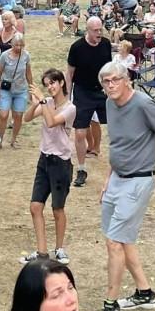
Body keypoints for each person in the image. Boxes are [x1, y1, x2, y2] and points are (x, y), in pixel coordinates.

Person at [96, 61, 155, 311]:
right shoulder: (110, 104)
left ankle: (110, 304)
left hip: (139, 180)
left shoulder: (143, 104)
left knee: (114, 243)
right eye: (106, 82)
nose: (110, 86)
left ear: (127, 79)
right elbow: (117, 144)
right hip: (117, 179)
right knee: (122, 239)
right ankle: (145, 293)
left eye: (115, 80)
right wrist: (108, 178)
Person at [20, 70, 77, 264]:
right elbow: (26, 118)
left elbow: (52, 122)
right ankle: (41, 251)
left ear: (61, 83)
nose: (50, 87)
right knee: (35, 206)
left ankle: (59, 248)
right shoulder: (47, 103)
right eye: (47, 84)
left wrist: (43, 101)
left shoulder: (69, 108)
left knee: (57, 208)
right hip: (44, 160)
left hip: (60, 162)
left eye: (53, 83)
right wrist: (36, 103)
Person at [66, 18, 113, 188]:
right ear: (88, 30)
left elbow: (109, 70)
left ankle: (118, 168)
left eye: (101, 30)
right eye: (95, 30)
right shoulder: (77, 48)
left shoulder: (106, 44)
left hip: (101, 91)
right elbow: (70, 73)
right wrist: (67, 96)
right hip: (82, 92)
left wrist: (110, 89)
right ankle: (81, 169)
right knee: (79, 133)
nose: (99, 34)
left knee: (116, 127)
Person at [0, 32, 34, 149]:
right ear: (11, 44)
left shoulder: (26, 56)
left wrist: (31, 89)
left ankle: (14, 140)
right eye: (16, 45)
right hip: (6, 89)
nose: (19, 48)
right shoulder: (4, 56)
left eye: (21, 45)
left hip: (21, 89)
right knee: (4, 115)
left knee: (18, 115)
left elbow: (28, 73)